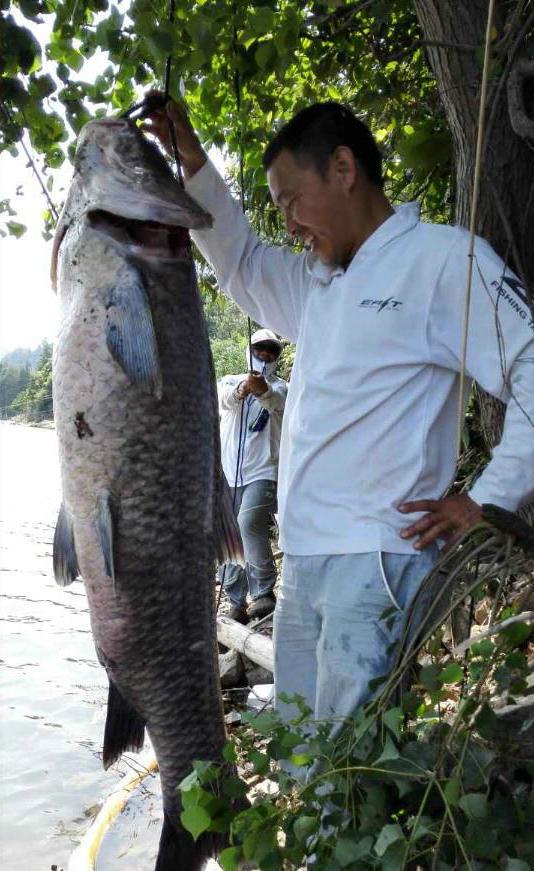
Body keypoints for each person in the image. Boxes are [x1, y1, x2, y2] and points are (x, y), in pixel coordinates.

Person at [146, 99, 534, 728]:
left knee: (350, 780)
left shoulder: (443, 260)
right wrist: (192, 162)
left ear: (344, 168)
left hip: (378, 560)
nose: (291, 225)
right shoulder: (317, 282)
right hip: (302, 559)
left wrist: (487, 499)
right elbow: (241, 261)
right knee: (304, 759)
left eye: (292, 201)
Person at [218, 328, 288, 624]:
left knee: (248, 523)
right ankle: (235, 599)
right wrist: (243, 389)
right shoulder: (231, 380)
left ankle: (262, 592)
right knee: (228, 533)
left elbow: (277, 403)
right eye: (260, 349)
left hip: (265, 472)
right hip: (228, 471)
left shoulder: (283, 387)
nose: (265, 355)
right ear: (251, 350)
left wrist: (262, 390)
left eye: (271, 350)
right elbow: (224, 401)